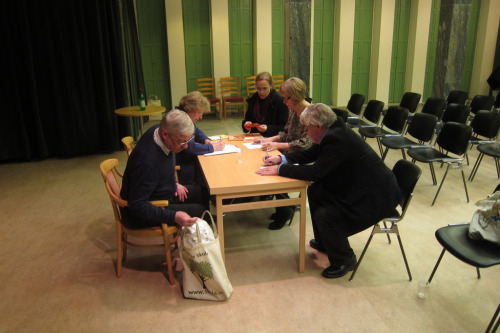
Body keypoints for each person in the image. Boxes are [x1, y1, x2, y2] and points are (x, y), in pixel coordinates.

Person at [257, 103, 401, 278]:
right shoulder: (331, 129)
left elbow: (315, 172)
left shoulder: (336, 138)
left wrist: (280, 170)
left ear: (317, 126)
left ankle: (345, 259)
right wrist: (281, 159)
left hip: (376, 196)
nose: (306, 132)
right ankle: (325, 242)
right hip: (363, 185)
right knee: (315, 191)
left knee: (325, 215)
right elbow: (312, 154)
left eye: (307, 128)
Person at [120, 109, 209, 229]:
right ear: (165, 134)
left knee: (204, 193)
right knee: (202, 212)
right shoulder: (147, 162)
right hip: (144, 211)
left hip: (162, 191)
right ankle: (198, 237)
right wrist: (174, 216)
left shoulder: (159, 130)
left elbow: (163, 167)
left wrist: (174, 183)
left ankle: (196, 232)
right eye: (182, 142)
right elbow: (137, 206)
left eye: (188, 140)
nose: (186, 146)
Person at [257, 77, 313, 230]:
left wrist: (277, 145)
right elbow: (286, 132)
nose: (283, 102)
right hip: (290, 152)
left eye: (285, 98)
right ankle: (284, 206)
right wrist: (270, 139)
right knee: (265, 162)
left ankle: (284, 209)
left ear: (294, 97)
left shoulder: (310, 114)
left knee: (274, 172)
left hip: (306, 157)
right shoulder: (294, 111)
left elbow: (305, 144)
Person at [175, 91, 225, 184]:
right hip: (182, 168)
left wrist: (206, 140)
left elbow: (197, 132)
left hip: (187, 162)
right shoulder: (179, 121)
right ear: (191, 110)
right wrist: (212, 147)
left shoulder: (185, 117)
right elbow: (188, 147)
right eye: (200, 113)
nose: (201, 117)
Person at [242, 72, 288, 137]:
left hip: (272, 138)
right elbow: (247, 119)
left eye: (264, 88)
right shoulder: (253, 100)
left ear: (271, 86)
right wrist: (246, 125)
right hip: (254, 138)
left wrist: (268, 128)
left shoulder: (279, 102)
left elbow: (284, 128)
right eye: (258, 88)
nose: (261, 92)